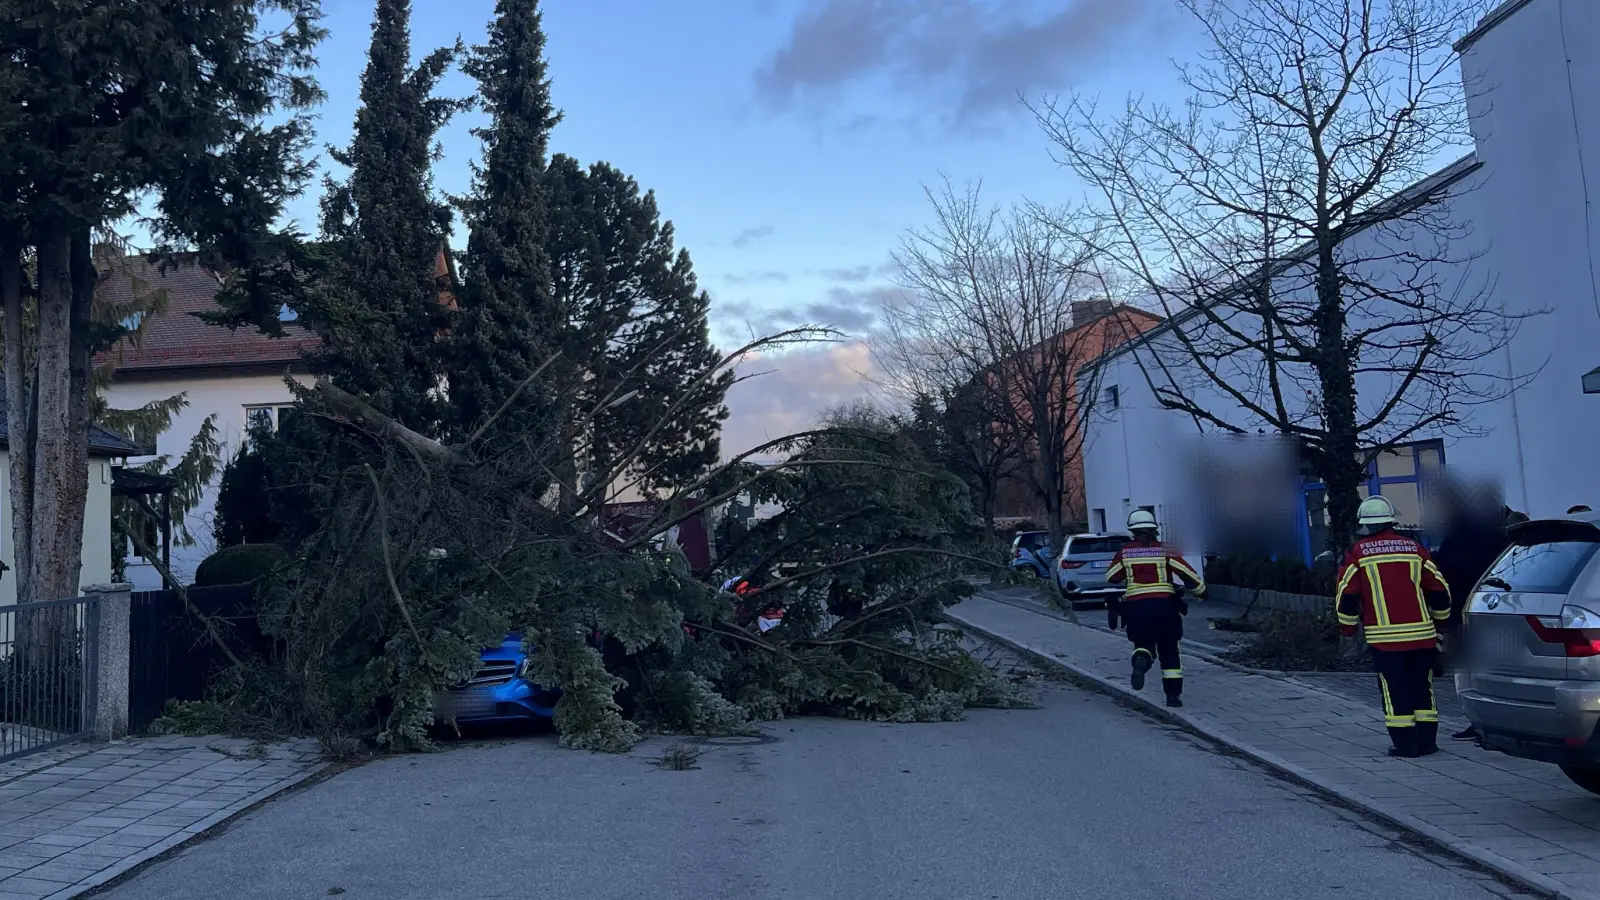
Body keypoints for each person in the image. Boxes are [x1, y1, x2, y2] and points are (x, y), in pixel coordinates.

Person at [1336, 496, 1452, 758]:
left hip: (1385, 640)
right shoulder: (1415, 548)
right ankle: (1428, 742)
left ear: (1365, 525)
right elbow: (1439, 590)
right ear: (1391, 521)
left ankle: (1405, 744)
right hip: (1422, 636)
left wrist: (1347, 629)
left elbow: (1347, 596)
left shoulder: (1358, 554)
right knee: (1423, 688)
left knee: (1394, 691)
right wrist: (1442, 622)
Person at [1105, 510, 1205, 708]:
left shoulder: (1125, 553)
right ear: (1154, 530)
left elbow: (1111, 577)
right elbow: (1187, 574)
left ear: (1133, 531)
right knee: (1169, 651)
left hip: (1136, 609)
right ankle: (1173, 697)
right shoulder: (1165, 551)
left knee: (1143, 644)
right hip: (1165, 607)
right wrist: (1202, 591)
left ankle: (1142, 659)